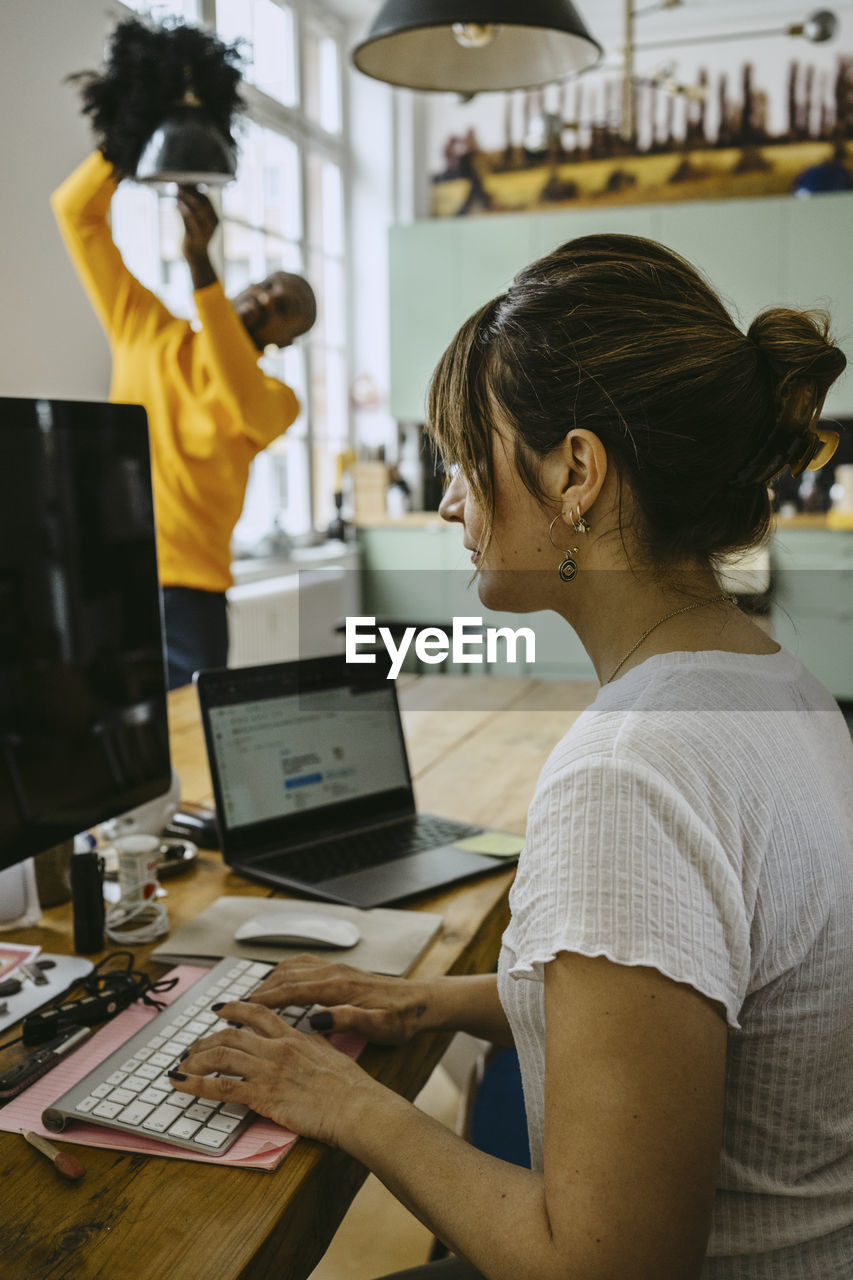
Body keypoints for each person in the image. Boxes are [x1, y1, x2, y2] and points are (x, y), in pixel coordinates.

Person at [167, 235, 853, 1279]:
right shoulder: (777, 682)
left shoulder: (628, 773)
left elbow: (599, 1265)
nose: (450, 499)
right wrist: (429, 999)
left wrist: (341, 1095)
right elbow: (674, 991)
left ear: (575, 471)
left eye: (465, 454)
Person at [51, 151, 316, 689]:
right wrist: (121, 144)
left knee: (193, 747)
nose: (265, 299)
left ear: (285, 341)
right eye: (267, 283)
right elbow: (75, 213)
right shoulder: (147, 332)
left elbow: (236, 387)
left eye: (282, 307)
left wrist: (201, 266)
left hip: (191, 595)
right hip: (106, 573)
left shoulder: (275, 400)